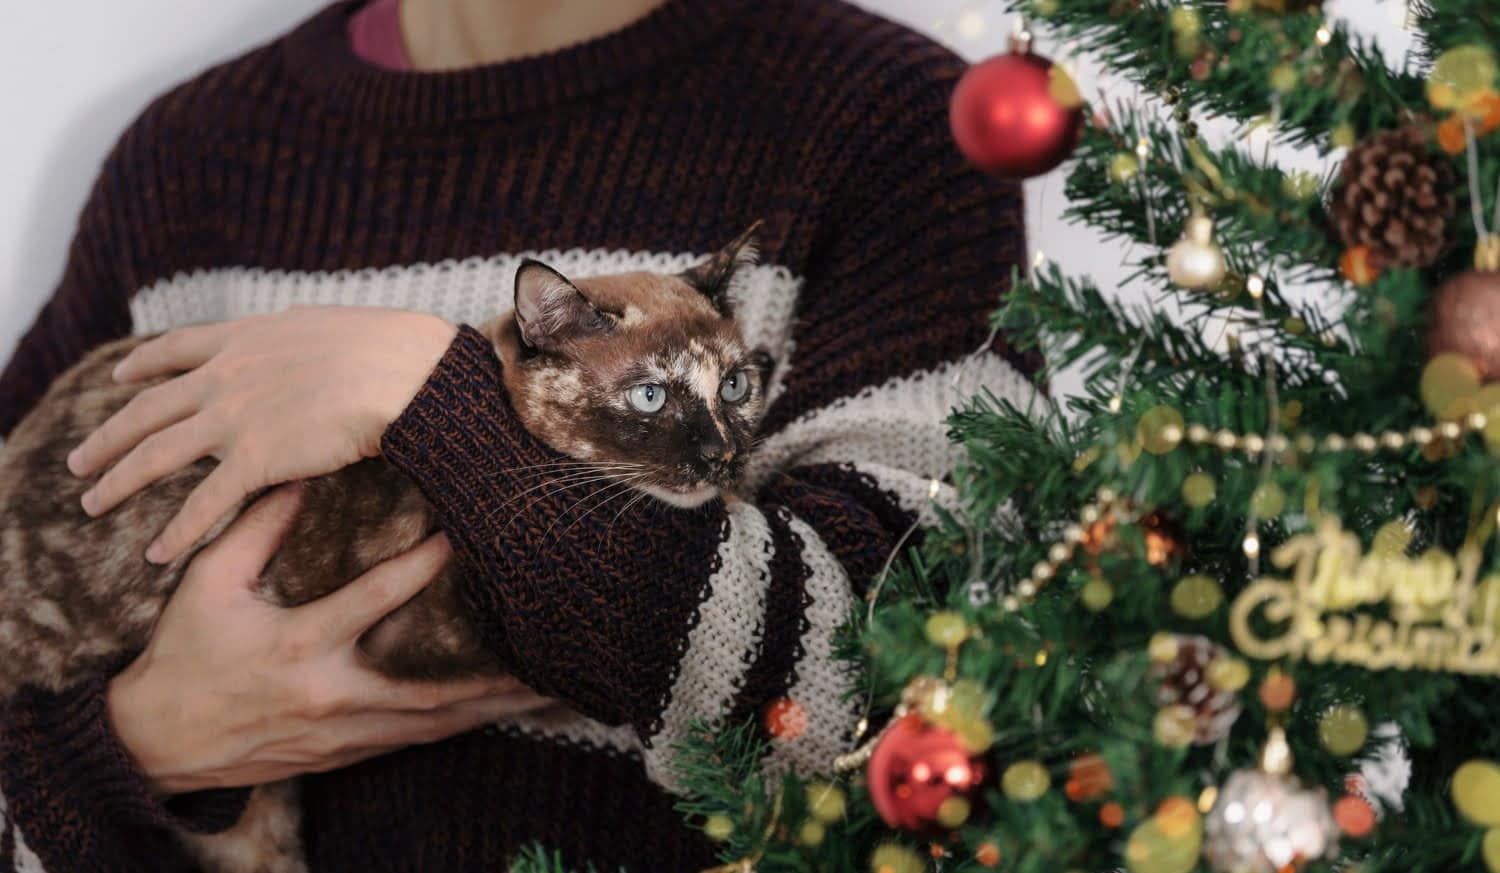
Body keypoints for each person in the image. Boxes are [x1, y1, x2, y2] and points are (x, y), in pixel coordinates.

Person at [0, 0, 1035, 869]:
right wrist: (129, 745)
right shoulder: (185, 159)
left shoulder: (893, 120)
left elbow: (929, 707)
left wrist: (436, 404)